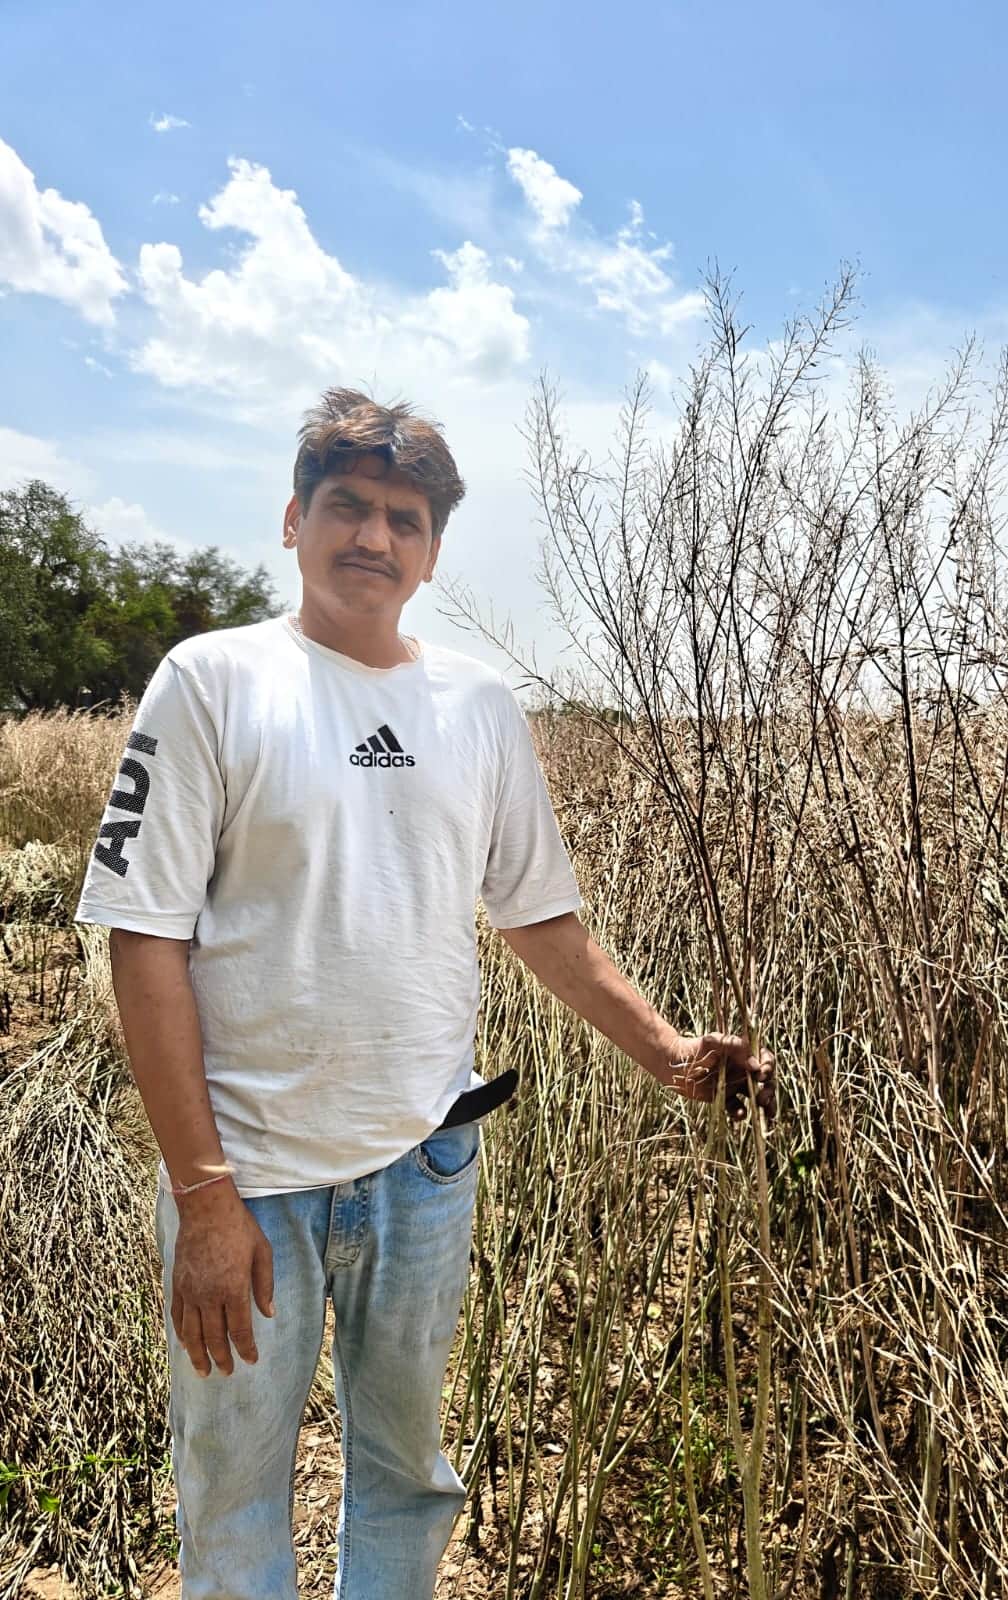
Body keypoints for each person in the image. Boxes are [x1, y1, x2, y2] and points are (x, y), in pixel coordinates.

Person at [74, 388, 775, 1600]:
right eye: (347, 507)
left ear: (434, 551)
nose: (374, 539)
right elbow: (144, 941)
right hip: (250, 1180)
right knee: (233, 1486)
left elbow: (536, 916)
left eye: (405, 519)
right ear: (293, 521)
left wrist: (668, 1050)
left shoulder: (478, 708)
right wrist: (202, 1194)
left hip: (423, 1169)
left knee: (407, 1471)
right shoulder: (211, 682)